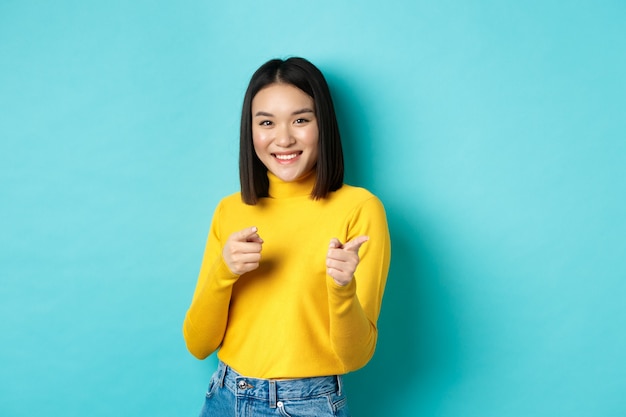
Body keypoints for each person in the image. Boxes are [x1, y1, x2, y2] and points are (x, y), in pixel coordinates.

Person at [183, 57, 391, 417]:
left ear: (322, 124)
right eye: (266, 122)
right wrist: (224, 272)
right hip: (224, 395)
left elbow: (355, 357)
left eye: (300, 120)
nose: (283, 138)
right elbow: (198, 344)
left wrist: (342, 289)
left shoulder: (359, 209)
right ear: (250, 131)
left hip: (306, 403)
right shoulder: (229, 211)